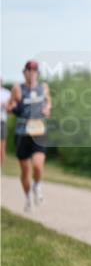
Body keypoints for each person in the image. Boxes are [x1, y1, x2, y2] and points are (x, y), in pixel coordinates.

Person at [7, 60, 52, 212]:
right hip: (22, 133)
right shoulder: (17, 89)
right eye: (28, 70)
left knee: (38, 165)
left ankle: (37, 185)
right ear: (24, 72)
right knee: (25, 171)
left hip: (39, 131)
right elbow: (9, 106)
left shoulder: (43, 87)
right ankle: (27, 198)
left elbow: (48, 103)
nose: (31, 73)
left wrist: (47, 109)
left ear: (38, 73)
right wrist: (13, 107)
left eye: (34, 70)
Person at [0, 81, 10, 166]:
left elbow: (10, 107)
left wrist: (5, 105)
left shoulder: (6, 93)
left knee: (2, 145)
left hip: (2, 121)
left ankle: (1, 168)